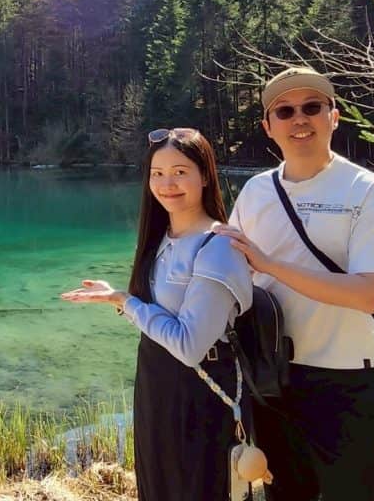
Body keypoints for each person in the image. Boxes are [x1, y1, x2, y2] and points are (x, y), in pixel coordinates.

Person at [214, 66, 374, 501]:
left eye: (312, 107)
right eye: (284, 111)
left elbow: (368, 295)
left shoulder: (370, 191)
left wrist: (270, 264)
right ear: (268, 127)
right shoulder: (255, 192)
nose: (299, 119)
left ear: (334, 116)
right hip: (272, 382)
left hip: (347, 381)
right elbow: (232, 277)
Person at [62, 128, 254, 501]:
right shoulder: (164, 235)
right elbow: (160, 313)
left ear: (205, 175)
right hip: (157, 384)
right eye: (157, 173)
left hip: (200, 395)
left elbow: (189, 346)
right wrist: (118, 299)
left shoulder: (218, 247)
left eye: (180, 172)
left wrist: (126, 301)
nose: (167, 184)